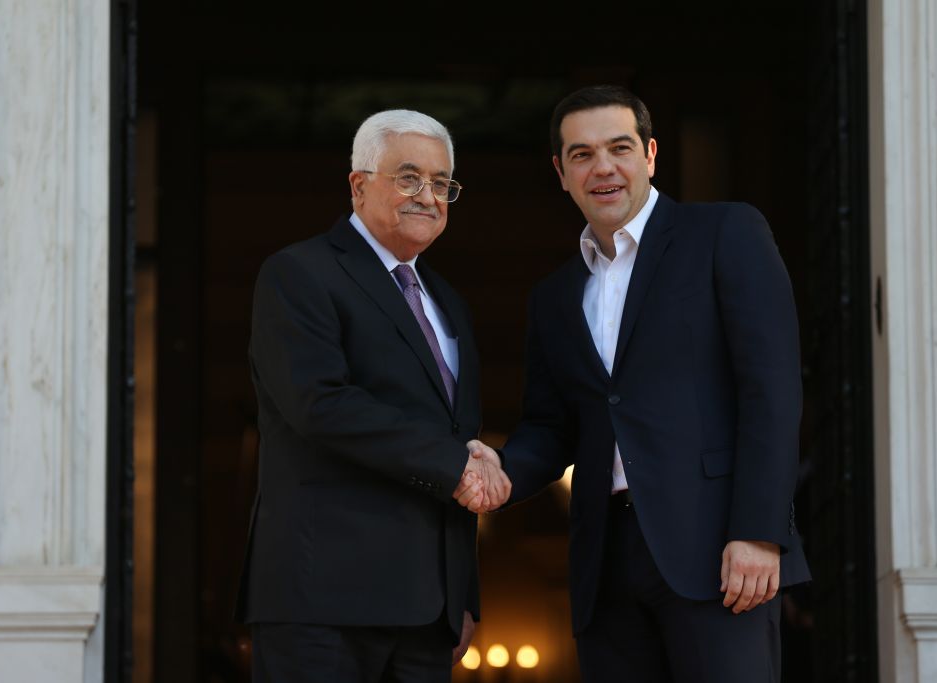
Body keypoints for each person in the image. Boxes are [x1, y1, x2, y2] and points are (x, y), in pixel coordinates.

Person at [461, 85, 811, 682]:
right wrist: (494, 470)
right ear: (560, 172)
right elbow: (551, 427)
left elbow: (771, 388)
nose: (603, 168)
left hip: (718, 551)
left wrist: (758, 532)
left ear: (650, 154)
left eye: (619, 148)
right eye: (582, 154)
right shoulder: (553, 296)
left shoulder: (724, 232)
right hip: (605, 562)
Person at [235, 108, 510, 683]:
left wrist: (463, 591)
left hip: (428, 611)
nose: (428, 196)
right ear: (359, 186)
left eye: (442, 184)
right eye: (409, 178)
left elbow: (459, 435)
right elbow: (322, 403)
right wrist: (456, 465)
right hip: (325, 602)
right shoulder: (299, 273)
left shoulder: (447, 301)